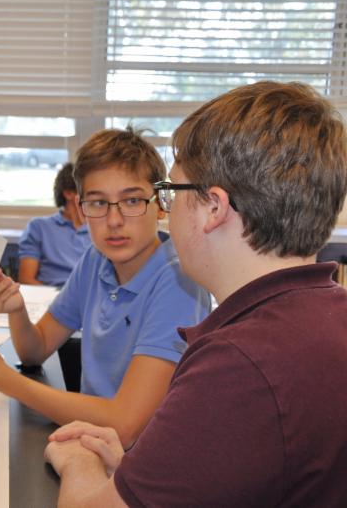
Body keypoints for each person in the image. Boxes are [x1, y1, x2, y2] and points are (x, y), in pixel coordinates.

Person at [44, 81, 347, 506]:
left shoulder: (238, 364)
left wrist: (79, 460)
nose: (165, 211)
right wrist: (139, 472)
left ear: (214, 208)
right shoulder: (327, 315)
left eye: (170, 192)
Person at [0, 126, 210, 448]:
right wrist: (16, 308)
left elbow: (126, 426)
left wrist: (3, 380)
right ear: (81, 210)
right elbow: (35, 349)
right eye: (98, 203)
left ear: (161, 205)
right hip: (93, 440)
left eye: (132, 200)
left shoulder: (179, 281)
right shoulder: (96, 260)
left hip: (145, 456)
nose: (114, 220)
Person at [18, 162, 91, 286]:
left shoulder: (99, 230)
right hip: (51, 294)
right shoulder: (39, 227)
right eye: (88, 191)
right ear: (68, 193)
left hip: (90, 295)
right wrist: (59, 297)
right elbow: (26, 279)